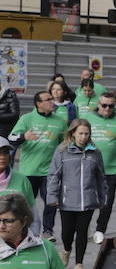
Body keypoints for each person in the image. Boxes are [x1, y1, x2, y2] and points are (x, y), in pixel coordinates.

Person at [47, 119, 104, 269]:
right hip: (67, 200)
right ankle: (66, 250)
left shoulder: (95, 153)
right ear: (73, 133)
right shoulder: (62, 151)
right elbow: (53, 175)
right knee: (67, 232)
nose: (83, 137)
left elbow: (101, 177)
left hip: (88, 200)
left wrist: (102, 197)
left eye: (86, 134)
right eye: (80, 133)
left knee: (83, 231)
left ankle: (79, 263)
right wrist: (52, 196)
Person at [9, 90, 68, 238]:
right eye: (48, 100)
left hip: (50, 170)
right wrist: (24, 136)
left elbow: (64, 144)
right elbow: (11, 137)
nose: (52, 102)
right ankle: (25, 230)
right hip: (29, 170)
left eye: (51, 99)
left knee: (51, 200)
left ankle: (48, 230)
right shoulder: (27, 119)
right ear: (39, 104)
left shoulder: (60, 121)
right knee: (26, 203)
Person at [85, 93, 116, 244]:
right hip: (90, 167)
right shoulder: (87, 119)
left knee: (107, 202)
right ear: (98, 104)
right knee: (88, 199)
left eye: (111, 106)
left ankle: (100, 229)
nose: (107, 108)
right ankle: (84, 227)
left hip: (112, 169)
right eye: (104, 105)